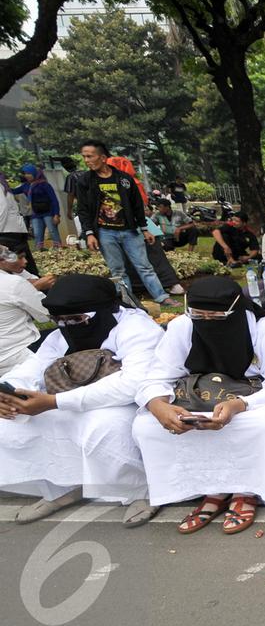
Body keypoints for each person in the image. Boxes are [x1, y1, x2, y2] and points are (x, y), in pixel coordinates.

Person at [132, 276, 265, 535]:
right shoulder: (183, 326)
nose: (206, 322)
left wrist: (238, 405)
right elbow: (156, 376)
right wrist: (157, 405)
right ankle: (212, 490)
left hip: (254, 402)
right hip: (198, 398)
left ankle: (246, 492)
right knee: (145, 425)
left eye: (216, 316)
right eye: (199, 316)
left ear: (236, 309)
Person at [0, 274, 163, 525]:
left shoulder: (136, 328)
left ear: (105, 311)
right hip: (68, 397)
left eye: (77, 319)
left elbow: (132, 383)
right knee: (13, 422)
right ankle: (63, 488)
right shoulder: (61, 335)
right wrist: (9, 393)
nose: (67, 326)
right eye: (60, 321)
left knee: (103, 426)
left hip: (128, 402)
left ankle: (139, 492)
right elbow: (33, 368)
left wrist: (54, 402)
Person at [75, 140, 176, 307]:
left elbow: (137, 206)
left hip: (130, 231)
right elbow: (83, 210)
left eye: (90, 156)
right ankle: (128, 304)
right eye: (84, 157)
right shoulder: (85, 181)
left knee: (144, 266)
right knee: (118, 271)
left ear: (102, 157)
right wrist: (89, 233)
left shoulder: (124, 179)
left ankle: (161, 297)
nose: (86, 160)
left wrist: (144, 229)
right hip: (105, 232)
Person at [0, 245, 49, 375]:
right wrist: (36, 287)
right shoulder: (13, 283)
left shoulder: (14, 279)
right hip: (18, 351)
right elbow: (45, 314)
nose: (25, 262)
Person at [17, 164, 60, 249]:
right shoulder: (26, 186)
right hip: (36, 213)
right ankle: (39, 250)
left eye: (28, 173)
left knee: (52, 231)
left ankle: (58, 249)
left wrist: (56, 214)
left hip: (48, 212)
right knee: (37, 233)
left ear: (34, 173)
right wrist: (3, 184)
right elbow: (13, 191)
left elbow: (54, 200)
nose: (26, 176)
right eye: (25, 174)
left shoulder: (44, 185)